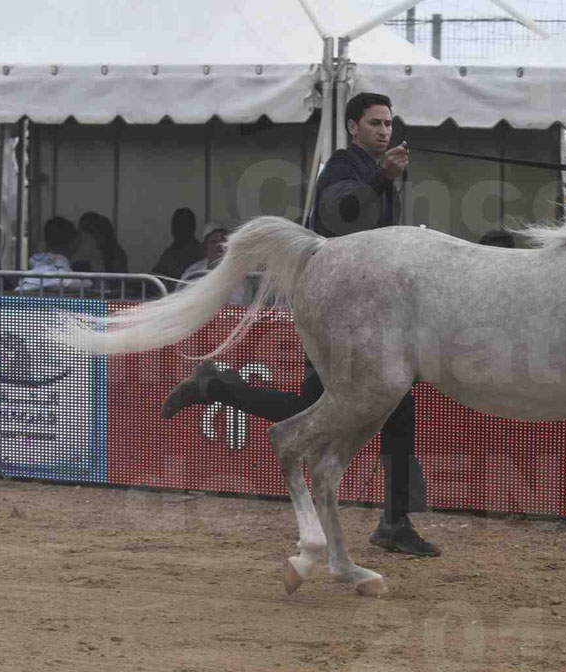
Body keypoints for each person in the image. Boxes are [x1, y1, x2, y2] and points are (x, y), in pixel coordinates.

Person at [161, 92, 438, 557]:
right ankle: (216, 386)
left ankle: (395, 518)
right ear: (353, 127)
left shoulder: (378, 174)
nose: (384, 131)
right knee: (334, 405)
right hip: (334, 311)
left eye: (388, 124)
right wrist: (381, 177)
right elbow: (337, 215)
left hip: (364, 313)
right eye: (375, 124)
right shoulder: (342, 168)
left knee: (370, 406)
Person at [180, 224, 252, 305]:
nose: (219, 246)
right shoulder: (193, 272)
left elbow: (239, 302)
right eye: (213, 242)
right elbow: (181, 299)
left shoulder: (237, 271)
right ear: (205, 246)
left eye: (223, 242)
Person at [15, 217, 92, 292]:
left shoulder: (26, 278)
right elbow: (83, 284)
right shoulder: (64, 268)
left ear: (45, 243)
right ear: (74, 244)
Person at [153, 208, 204, 288]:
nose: (176, 228)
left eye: (182, 224)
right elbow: (156, 274)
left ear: (192, 227)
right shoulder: (171, 250)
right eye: (175, 224)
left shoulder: (199, 252)